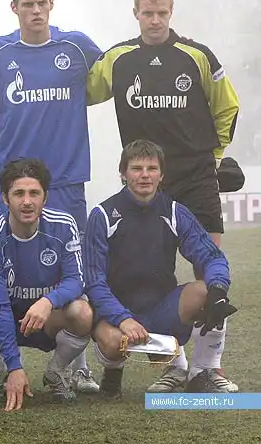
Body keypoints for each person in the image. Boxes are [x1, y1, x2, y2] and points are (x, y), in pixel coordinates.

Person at [86, 0, 240, 392]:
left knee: (208, 270)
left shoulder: (197, 56)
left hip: (194, 176)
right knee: (150, 270)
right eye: (147, 13)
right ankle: (175, 364)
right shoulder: (117, 59)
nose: (155, 21)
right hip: (146, 180)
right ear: (135, 13)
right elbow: (79, 91)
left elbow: (228, 106)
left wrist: (214, 156)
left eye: (162, 13)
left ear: (171, 13)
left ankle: (208, 368)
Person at [0, 0, 102, 393]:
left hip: (65, 179)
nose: (35, 10)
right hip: (14, 182)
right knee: (0, 269)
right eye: (27, 4)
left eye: (41, 3)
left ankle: (75, 366)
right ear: (14, 6)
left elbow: (114, 74)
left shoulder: (77, 47)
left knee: (72, 272)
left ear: (52, 4)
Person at [83, 140, 237, 396]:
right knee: (113, 342)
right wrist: (123, 318)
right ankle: (113, 371)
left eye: (152, 168)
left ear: (161, 175)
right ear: (123, 173)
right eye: (137, 168)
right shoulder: (102, 215)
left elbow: (211, 256)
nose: (145, 175)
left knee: (206, 291)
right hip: (115, 311)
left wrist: (219, 289)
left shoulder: (175, 212)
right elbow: (93, 281)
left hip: (160, 307)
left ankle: (203, 371)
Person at [0, 158, 92, 410]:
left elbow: (75, 280)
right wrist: (15, 367)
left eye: (34, 193)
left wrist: (48, 301)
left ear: (45, 198)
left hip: (46, 319)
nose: (27, 201)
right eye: (19, 193)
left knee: (82, 311)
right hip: (6, 318)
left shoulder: (63, 225)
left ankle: (57, 371)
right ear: (5, 198)